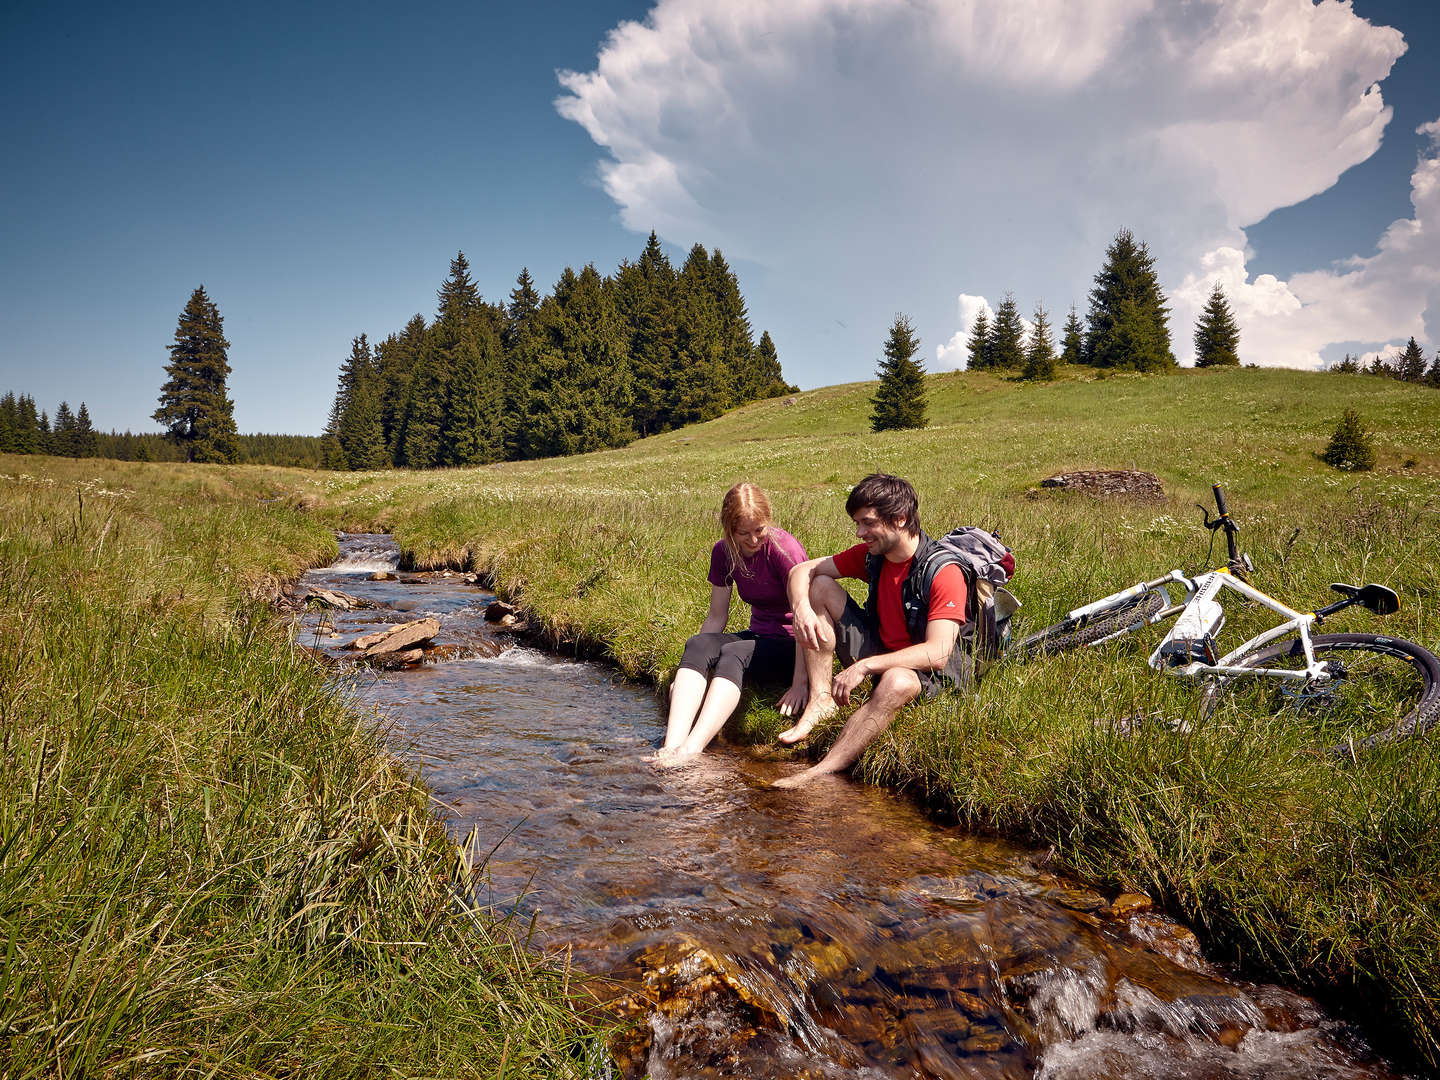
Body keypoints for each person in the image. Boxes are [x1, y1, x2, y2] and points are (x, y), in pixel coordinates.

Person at [773, 473, 969, 787]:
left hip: (929, 671)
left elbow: (938, 653)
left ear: (900, 520)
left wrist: (864, 666)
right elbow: (802, 570)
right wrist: (802, 610)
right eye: (858, 523)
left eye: (867, 523)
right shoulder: (873, 557)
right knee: (819, 585)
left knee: (896, 681)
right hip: (881, 647)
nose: (860, 532)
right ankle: (820, 699)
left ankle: (820, 771)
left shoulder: (943, 572)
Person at [650, 482, 809, 761]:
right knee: (698, 643)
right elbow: (716, 617)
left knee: (734, 652)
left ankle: (691, 751)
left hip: (792, 644)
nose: (753, 540)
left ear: (767, 522)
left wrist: (799, 683)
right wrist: (694, 668)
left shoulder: (785, 551)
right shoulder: (723, 552)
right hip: (759, 636)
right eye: (743, 533)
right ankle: (671, 745)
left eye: (759, 530)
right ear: (729, 530)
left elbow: (804, 620)